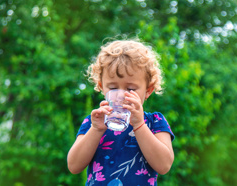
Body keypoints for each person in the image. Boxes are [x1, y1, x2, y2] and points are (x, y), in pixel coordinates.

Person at [67, 39, 175, 185]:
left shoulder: (155, 122)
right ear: (101, 86)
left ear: (148, 90)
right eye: (112, 88)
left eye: (130, 89)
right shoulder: (93, 122)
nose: (121, 95)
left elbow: (164, 165)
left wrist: (139, 125)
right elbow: (74, 166)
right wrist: (96, 129)